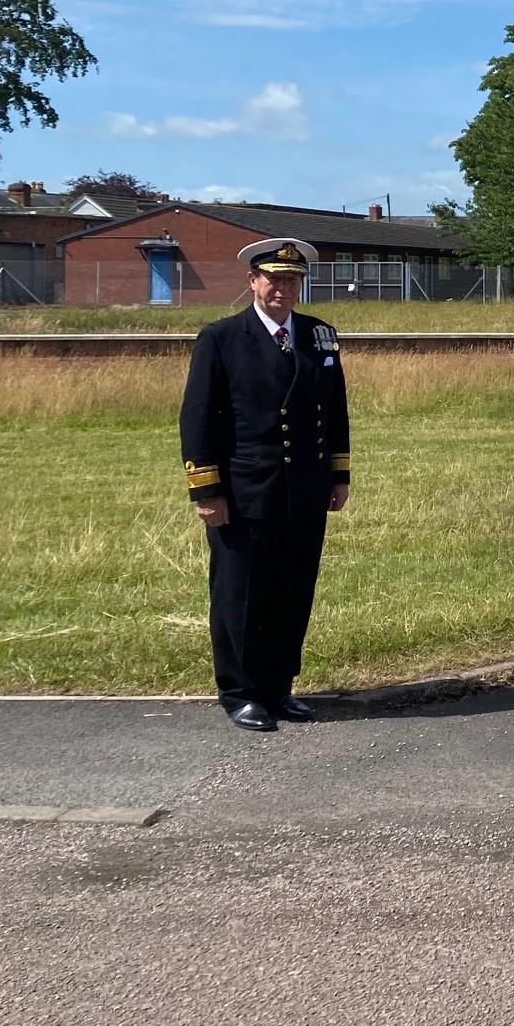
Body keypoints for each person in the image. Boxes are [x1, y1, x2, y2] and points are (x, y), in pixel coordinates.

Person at [179, 239, 350, 732]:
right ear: (253, 282)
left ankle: (279, 687)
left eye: (292, 279)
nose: (282, 287)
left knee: (292, 590)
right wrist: (206, 491)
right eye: (273, 278)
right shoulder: (222, 337)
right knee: (241, 593)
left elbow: (333, 411)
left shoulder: (319, 335)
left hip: (304, 488)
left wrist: (338, 475)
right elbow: (197, 419)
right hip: (245, 489)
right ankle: (240, 691)